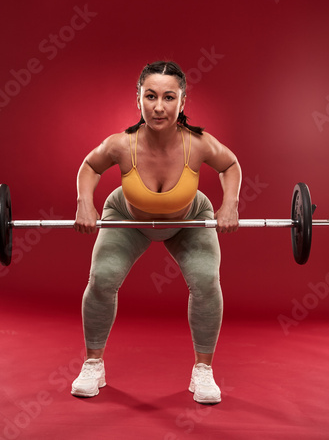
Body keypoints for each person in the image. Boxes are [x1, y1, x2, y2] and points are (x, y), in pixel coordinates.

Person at [71, 61, 241, 404]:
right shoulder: (121, 144)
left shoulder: (200, 143)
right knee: (102, 278)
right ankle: (93, 364)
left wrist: (230, 205)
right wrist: (84, 203)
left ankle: (203, 371)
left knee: (207, 282)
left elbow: (230, 166)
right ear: (138, 99)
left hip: (188, 220)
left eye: (168, 97)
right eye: (150, 96)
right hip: (128, 218)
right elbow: (90, 166)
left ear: (182, 101)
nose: (159, 107)